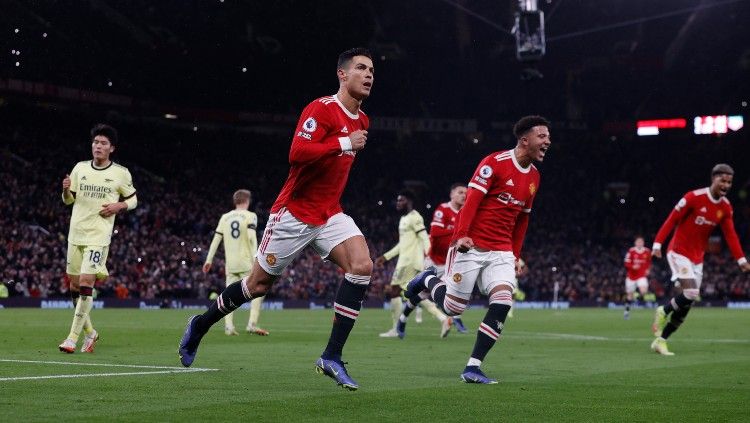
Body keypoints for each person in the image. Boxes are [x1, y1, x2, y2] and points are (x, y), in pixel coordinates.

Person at [179, 47, 375, 391]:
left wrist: (345, 145)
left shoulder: (363, 120)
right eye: (361, 68)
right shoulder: (322, 109)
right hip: (294, 213)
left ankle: (331, 356)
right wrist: (343, 142)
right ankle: (201, 324)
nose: (369, 74)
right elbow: (297, 154)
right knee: (257, 286)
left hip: (329, 213)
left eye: (372, 69)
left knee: (362, 266)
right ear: (342, 75)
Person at [404, 115, 550, 384]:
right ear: (524, 140)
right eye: (542, 137)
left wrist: (515, 255)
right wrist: (461, 235)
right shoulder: (494, 163)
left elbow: (523, 219)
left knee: (503, 301)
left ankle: (473, 367)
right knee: (452, 309)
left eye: (548, 137)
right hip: (471, 246)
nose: (547, 142)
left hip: (501, 252)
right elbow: (471, 201)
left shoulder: (534, 178)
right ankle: (426, 278)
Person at [650, 164, 750, 355]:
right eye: (723, 180)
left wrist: (741, 260)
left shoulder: (725, 207)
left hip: (697, 258)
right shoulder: (694, 197)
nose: (726, 185)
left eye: (729, 182)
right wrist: (657, 245)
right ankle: (663, 310)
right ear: (713, 179)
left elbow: (731, 235)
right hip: (678, 251)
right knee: (692, 291)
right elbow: (672, 219)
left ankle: (661, 341)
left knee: (687, 304)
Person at [59, 124, 137, 353]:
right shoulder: (80, 168)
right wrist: (65, 190)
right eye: (95, 142)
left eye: (103, 143)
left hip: (98, 236)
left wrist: (119, 205)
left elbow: (133, 200)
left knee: (85, 283)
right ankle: (90, 333)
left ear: (112, 148)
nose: (98, 146)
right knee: (74, 284)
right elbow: (68, 201)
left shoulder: (120, 173)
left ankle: (72, 338)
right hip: (76, 234)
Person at [395, 183, 469, 337]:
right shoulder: (443, 210)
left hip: (453, 263)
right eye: (460, 192)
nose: (464, 195)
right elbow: (435, 232)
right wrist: (457, 234)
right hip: (434, 260)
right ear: (452, 194)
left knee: (455, 290)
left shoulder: (466, 212)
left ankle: (455, 319)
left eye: (466, 193)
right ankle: (402, 318)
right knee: (421, 296)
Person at [375, 190, 451, 338]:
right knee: (415, 294)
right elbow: (401, 245)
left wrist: (431, 257)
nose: (398, 203)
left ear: (409, 201)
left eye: (401, 200)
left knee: (395, 291)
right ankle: (443, 318)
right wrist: (386, 256)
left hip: (409, 262)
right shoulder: (404, 219)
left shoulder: (415, 217)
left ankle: (396, 329)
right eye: (397, 200)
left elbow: (424, 237)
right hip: (406, 260)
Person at [203, 189, 268, 336]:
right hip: (246, 262)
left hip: (231, 264)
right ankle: (251, 324)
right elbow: (252, 238)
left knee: (228, 294)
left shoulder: (225, 217)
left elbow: (216, 240)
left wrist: (209, 260)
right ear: (247, 201)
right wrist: (256, 258)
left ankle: (229, 327)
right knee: (259, 289)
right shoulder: (250, 216)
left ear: (235, 201)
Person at [623, 236, 652, 319]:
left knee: (644, 291)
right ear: (635, 243)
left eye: (641, 242)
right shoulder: (631, 251)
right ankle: (627, 311)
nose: (639, 243)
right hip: (631, 276)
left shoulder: (647, 251)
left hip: (641, 275)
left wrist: (648, 269)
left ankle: (637, 298)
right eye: (638, 242)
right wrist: (632, 267)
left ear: (643, 243)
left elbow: (649, 262)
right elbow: (626, 263)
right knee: (629, 295)